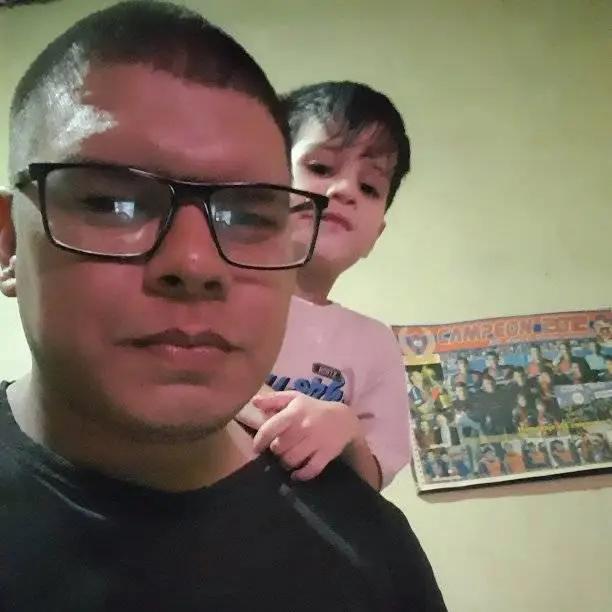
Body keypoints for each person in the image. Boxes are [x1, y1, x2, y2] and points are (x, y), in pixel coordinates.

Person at [0, 3, 446, 610]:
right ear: (8, 244)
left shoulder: (372, 557)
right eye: (112, 203)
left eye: (247, 216)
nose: (196, 263)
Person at [237, 80, 412, 491]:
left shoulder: (375, 344)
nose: (345, 190)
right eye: (319, 168)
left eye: (369, 187)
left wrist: (346, 430)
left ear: (375, 237)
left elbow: (371, 483)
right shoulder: (215, 291)